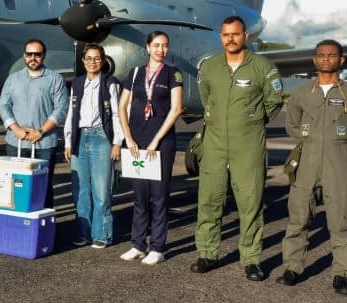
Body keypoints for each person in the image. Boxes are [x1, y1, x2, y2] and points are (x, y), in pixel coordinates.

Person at [277, 40, 347, 295]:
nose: (326, 59)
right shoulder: (301, 93)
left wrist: (341, 144)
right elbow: (292, 124)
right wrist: (310, 139)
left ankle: (342, 274)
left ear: (341, 60)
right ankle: (292, 268)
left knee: (342, 221)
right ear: (314, 60)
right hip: (306, 163)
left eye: (332, 55)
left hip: (338, 165)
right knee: (298, 218)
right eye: (321, 55)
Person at [192, 15, 284, 280]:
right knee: (209, 200)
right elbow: (206, 99)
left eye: (235, 34)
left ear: (245, 36)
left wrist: (252, 121)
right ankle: (207, 254)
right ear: (220, 37)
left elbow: (274, 101)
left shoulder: (263, 67)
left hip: (248, 144)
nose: (230, 39)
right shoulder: (209, 67)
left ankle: (251, 259)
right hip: (214, 142)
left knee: (250, 202)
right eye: (225, 34)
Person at [118, 31, 184, 264]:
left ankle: (157, 247)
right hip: (137, 142)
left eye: (165, 45)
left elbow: (176, 109)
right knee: (140, 195)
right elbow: (122, 107)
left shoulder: (173, 73)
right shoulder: (135, 73)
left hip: (161, 143)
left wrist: (156, 141)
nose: (160, 50)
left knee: (159, 196)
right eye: (156, 45)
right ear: (147, 48)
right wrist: (129, 138)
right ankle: (137, 244)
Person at [64, 44, 125, 248]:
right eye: (89, 58)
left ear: (103, 60)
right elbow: (71, 113)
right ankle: (83, 233)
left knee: (101, 190)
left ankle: (102, 234)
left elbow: (117, 114)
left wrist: (117, 142)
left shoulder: (110, 83)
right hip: (80, 137)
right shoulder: (77, 83)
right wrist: (68, 141)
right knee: (81, 190)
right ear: (83, 61)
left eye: (97, 58)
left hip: (101, 138)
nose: (92, 62)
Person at [0, 39, 68, 209]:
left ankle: (43, 222)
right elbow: (4, 105)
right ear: (24, 56)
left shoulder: (55, 79)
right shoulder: (13, 79)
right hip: (16, 142)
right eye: (29, 54)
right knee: (16, 184)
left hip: (44, 143)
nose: (33, 58)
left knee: (43, 185)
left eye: (37, 54)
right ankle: (18, 219)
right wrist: (16, 128)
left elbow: (61, 109)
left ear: (43, 56)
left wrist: (41, 131)